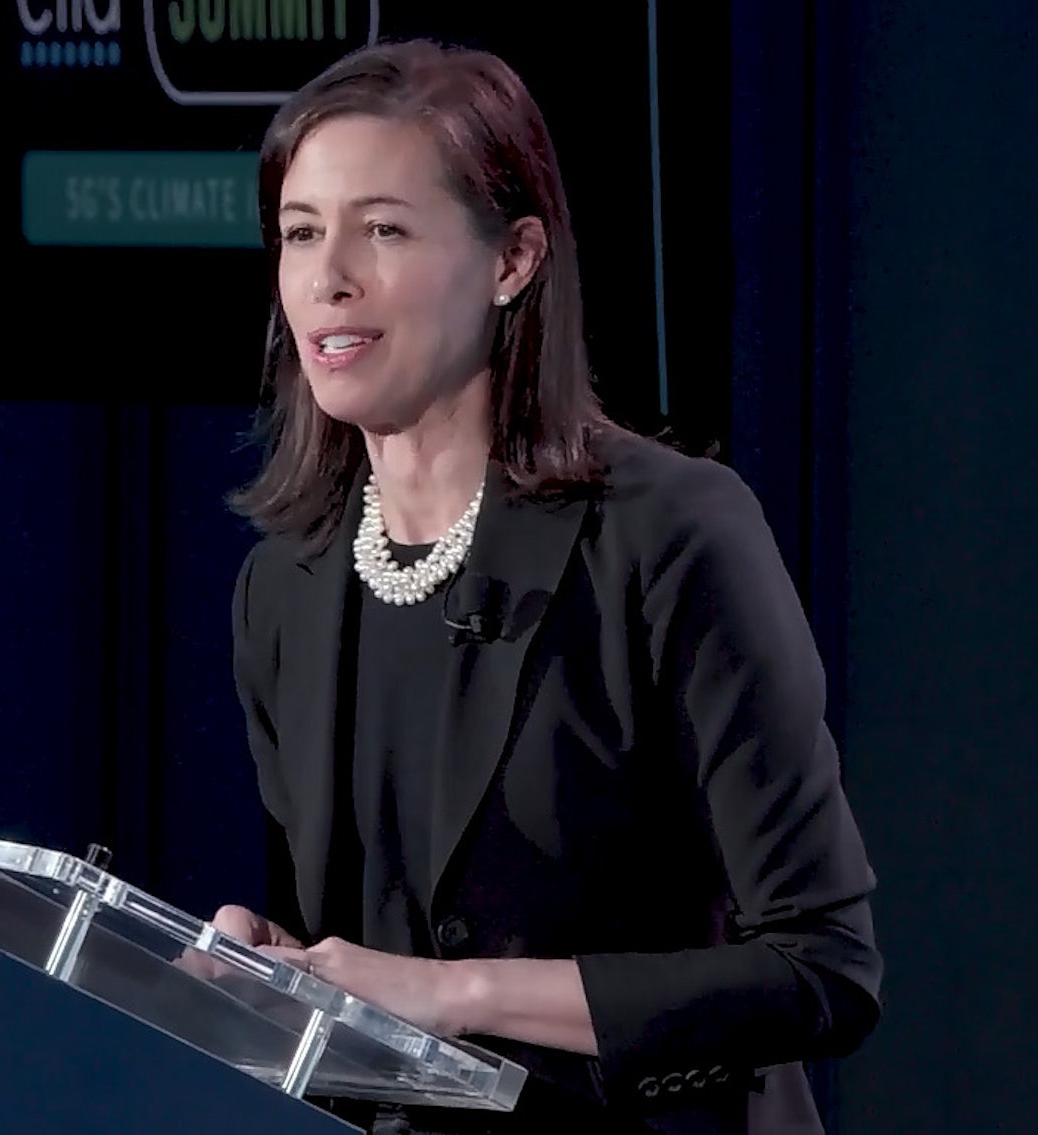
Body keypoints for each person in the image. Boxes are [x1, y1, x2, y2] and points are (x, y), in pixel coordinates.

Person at [211, 40, 882, 1134]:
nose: (326, 277)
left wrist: (452, 996)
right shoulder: (282, 588)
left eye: (380, 229)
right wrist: (285, 974)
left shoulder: (669, 533)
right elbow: (358, 980)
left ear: (513, 259)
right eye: (298, 232)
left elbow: (820, 969)